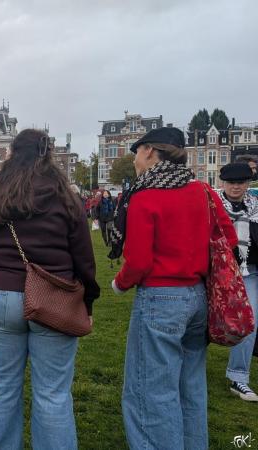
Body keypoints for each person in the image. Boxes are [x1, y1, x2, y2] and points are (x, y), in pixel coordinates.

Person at [0, 129, 99, 450]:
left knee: (1, 387)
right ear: (47, 154)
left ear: (12, 152)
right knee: (52, 393)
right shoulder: (64, 195)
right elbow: (84, 255)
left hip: (2, 295)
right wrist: (88, 300)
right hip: (56, 296)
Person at [109, 127, 236, 449]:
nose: (135, 159)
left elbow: (137, 260)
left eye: (136, 151)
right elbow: (228, 239)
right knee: (190, 387)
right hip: (197, 295)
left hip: (160, 297)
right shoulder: (203, 191)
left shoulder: (146, 194)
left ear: (149, 151)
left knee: (150, 392)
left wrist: (119, 284)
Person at [216, 163, 258, 402]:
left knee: (249, 322)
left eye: (240, 182)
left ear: (247, 184)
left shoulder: (255, 208)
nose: (236, 186)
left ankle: (239, 378)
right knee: (200, 321)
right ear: (223, 183)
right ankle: (187, 369)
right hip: (217, 272)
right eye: (231, 182)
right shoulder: (213, 205)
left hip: (249, 272)